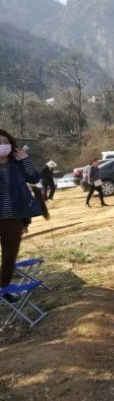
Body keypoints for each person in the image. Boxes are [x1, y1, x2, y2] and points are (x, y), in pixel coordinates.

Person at [0, 129, 43, 302]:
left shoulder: (17, 164)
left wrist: (25, 159)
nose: (2, 145)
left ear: (11, 145)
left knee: (9, 255)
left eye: (5, 142)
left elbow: (34, 178)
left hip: (13, 218)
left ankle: (3, 289)